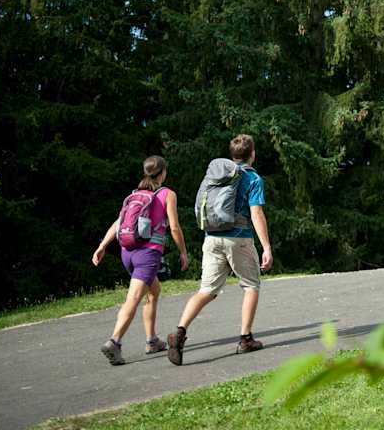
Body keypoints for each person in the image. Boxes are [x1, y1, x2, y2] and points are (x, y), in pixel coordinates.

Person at [167, 133, 272, 364]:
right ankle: (246, 339)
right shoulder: (253, 179)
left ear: (233, 154)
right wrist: (266, 246)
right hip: (239, 239)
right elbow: (256, 213)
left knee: (206, 290)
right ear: (252, 154)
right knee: (251, 285)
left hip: (211, 238)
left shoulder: (216, 175)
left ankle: (180, 332)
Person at [92, 155, 189, 365]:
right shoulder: (167, 194)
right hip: (148, 254)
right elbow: (174, 227)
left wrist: (102, 246)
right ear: (162, 172)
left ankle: (152, 340)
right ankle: (114, 342)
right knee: (134, 297)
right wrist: (183, 251)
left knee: (153, 291)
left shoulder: (135, 195)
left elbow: (119, 223)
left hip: (127, 252)